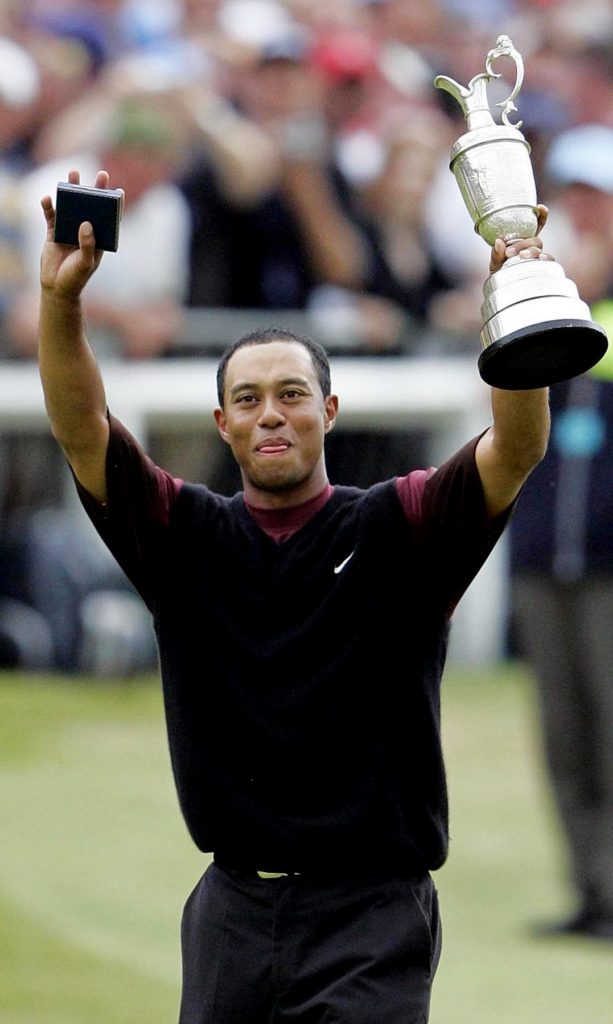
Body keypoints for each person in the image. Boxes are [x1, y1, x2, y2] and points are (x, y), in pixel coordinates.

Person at [37, 166, 552, 1023]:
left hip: (371, 916)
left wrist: (517, 303)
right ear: (222, 425)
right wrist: (62, 302)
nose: (270, 414)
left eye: (290, 395)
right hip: (231, 912)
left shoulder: (402, 525)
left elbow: (515, 446)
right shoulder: (184, 536)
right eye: (247, 399)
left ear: (329, 410)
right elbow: (80, 426)